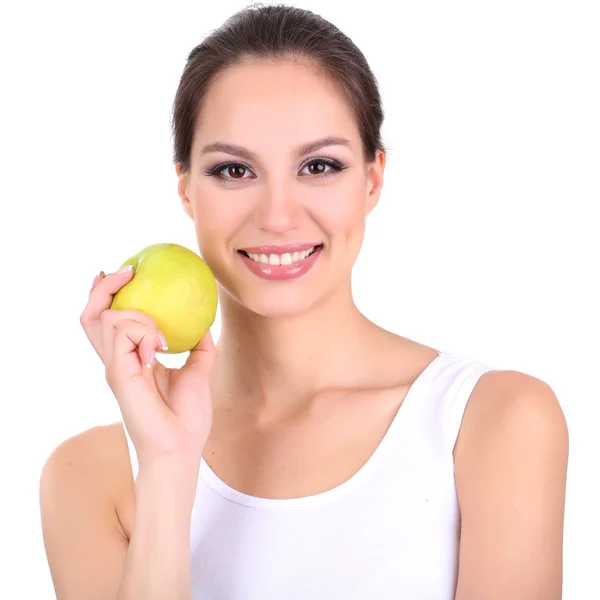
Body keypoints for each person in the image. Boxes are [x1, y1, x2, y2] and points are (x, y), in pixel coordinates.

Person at [39, 4, 569, 599]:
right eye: (235, 170)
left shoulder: (493, 421)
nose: (278, 216)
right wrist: (165, 466)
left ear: (372, 179)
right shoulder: (88, 477)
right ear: (186, 187)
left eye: (319, 165)